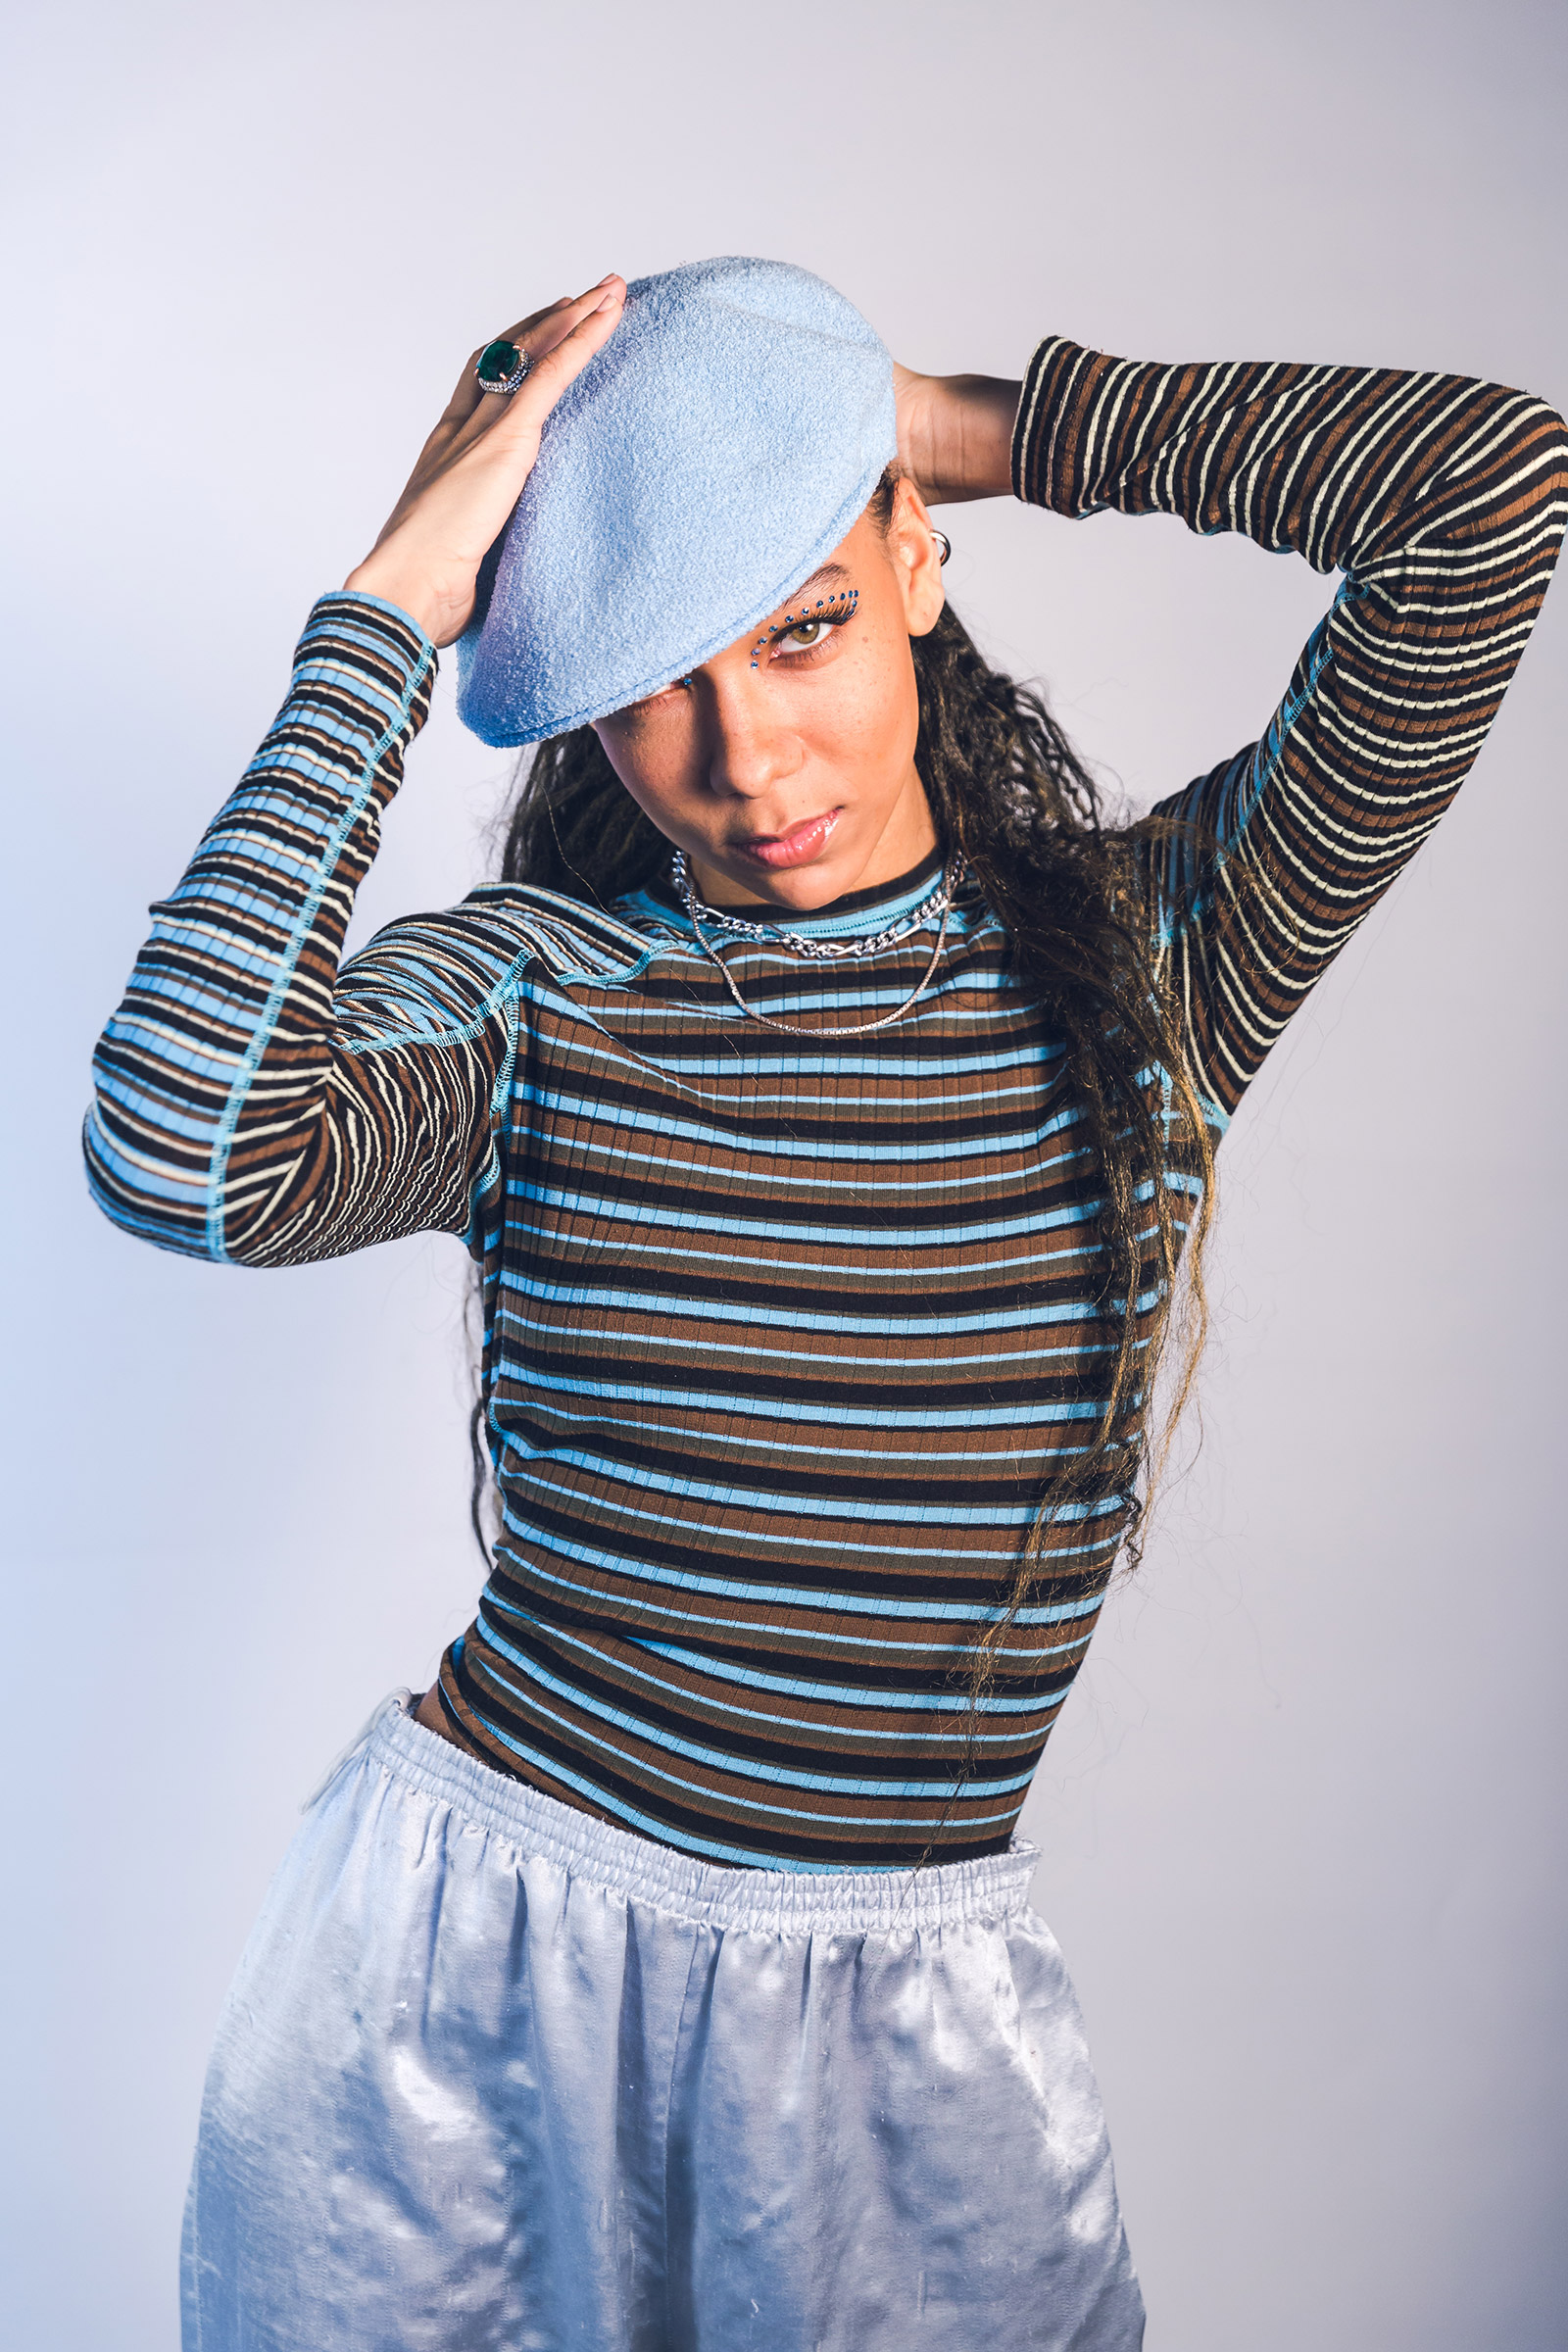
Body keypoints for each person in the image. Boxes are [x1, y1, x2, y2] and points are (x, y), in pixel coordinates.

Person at [85, 257, 1566, 2351]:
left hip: (902, 2040)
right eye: (656, 680)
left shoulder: (1153, 970)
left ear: (912, 563)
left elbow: (1485, 491)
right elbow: (184, 1149)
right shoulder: (537, 1003)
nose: (748, 750)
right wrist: (394, 604)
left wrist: (947, 423)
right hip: (463, 2011)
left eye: (803, 626)